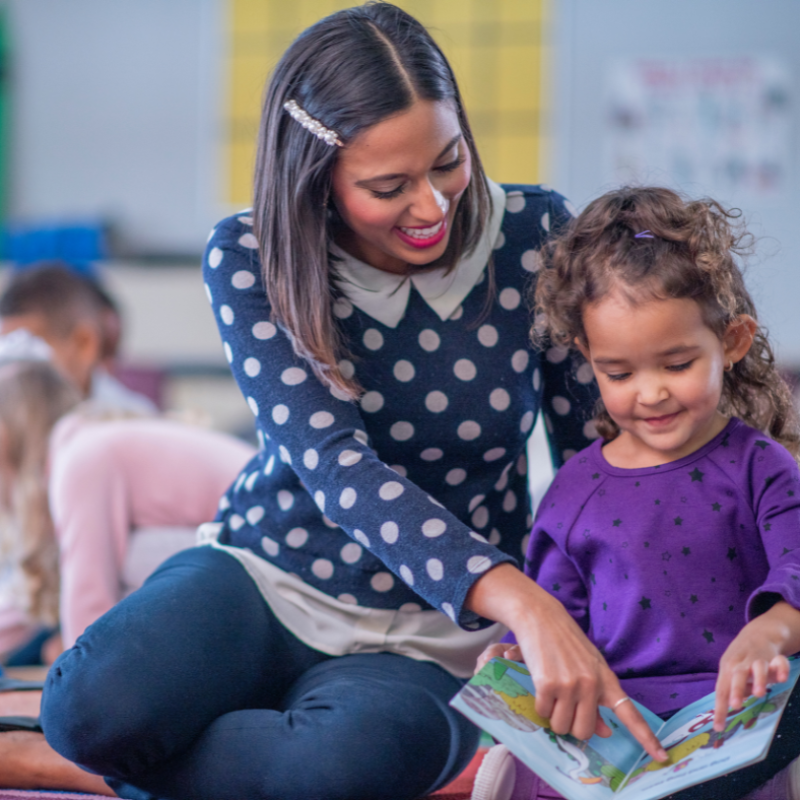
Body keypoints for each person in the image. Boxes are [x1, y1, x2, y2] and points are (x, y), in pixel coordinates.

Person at [38, 6, 669, 799]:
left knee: (331, 773)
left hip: (439, 634)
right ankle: (95, 752)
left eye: (448, 162)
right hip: (268, 576)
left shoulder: (535, 232)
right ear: (318, 178)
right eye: (388, 186)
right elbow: (338, 469)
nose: (432, 205)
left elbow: (593, 454)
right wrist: (528, 602)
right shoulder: (248, 254)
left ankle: (110, 775)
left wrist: (579, 610)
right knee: (85, 711)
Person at [473, 186, 800, 800]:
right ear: (587, 357)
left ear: (731, 342)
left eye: (676, 364)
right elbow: (555, 618)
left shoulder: (763, 467)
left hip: (738, 707)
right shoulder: (573, 489)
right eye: (619, 374)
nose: (649, 394)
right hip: (620, 714)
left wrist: (772, 632)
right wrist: (518, 662)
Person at [0, 350, 256, 662]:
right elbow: (24, 600)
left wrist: (76, 672)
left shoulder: (81, 459)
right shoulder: (88, 441)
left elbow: (90, 600)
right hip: (262, 547)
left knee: (118, 565)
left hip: (267, 552)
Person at [0, 262, 156, 414]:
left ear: (84, 345)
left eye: (28, 351)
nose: (11, 371)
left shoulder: (134, 423)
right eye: (7, 352)